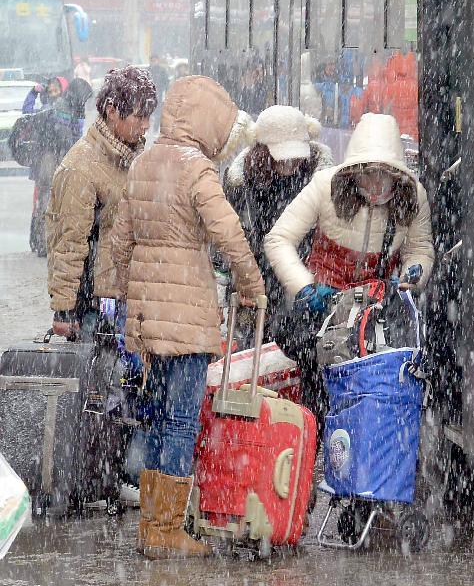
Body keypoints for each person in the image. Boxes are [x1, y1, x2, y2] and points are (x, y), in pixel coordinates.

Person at [111, 75, 265, 560]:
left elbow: (119, 243)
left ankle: (152, 526)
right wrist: (250, 282)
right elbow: (228, 231)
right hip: (189, 316)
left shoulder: (142, 163)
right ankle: (167, 530)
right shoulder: (197, 168)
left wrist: (130, 296)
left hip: (148, 320)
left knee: (158, 418)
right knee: (181, 422)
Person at [264, 113, 435, 435]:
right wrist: (304, 288)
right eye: (368, 174)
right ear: (353, 172)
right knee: (320, 392)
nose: (376, 185)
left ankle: (357, 461)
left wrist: (415, 274)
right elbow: (278, 239)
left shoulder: (415, 197)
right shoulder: (323, 187)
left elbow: (420, 249)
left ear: (398, 175)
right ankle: (316, 454)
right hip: (322, 311)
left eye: (385, 175)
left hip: (374, 316)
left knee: (367, 395)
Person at [45, 68, 157, 341]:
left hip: (127, 297)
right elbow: (68, 243)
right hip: (96, 306)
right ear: (111, 110)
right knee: (102, 381)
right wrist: (64, 310)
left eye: (149, 117)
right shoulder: (80, 168)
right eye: (139, 116)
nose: (145, 126)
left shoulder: (131, 157)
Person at [224, 105, 333, 348]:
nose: (292, 162)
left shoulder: (319, 179)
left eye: (297, 155)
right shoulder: (242, 183)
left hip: (305, 281)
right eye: (285, 156)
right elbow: (232, 236)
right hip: (258, 282)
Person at [28, 78, 93, 257]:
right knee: (48, 201)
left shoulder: (71, 106)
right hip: (50, 159)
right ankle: (43, 243)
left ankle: (46, 241)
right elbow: (65, 137)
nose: (84, 102)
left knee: (52, 201)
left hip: (56, 158)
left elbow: (76, 134)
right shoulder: (63, 107)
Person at [148, 55, 170, 132]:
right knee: (148, 112)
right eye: (152, 60)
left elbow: (166, 82)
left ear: (158, 61)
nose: (154, 62)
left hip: (159, 94)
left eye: (155, 60)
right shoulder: (147, 70)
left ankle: (155, 129)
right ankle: (147, 129)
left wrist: (166, 92)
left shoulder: (162, 70)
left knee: (158, 113)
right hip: (148, 95)